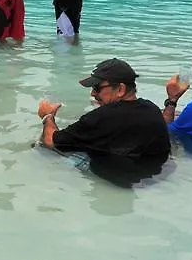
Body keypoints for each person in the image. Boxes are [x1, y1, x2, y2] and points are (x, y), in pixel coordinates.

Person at [36, 58, 171, 187]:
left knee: (41, 146)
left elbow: (50, 140)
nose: (93, 93)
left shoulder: (101, 118)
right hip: (155, 177)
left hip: (119, 180)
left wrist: (48, 116)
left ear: (120, 89)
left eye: (97, 88)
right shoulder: (152, 109)